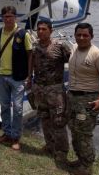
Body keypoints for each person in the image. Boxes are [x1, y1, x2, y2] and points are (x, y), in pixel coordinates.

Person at [67, 23, 99, 175]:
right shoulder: (73, 49)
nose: (81, 37)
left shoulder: (97, 54)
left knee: (84, 133)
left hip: (88, 98)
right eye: (78, 34)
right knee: (73, 129)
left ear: (91, 36)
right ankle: (80, 159)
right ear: (75, 35)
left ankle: (87, 166)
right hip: (72, 96)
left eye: (85, 35)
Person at [29, 18, 71, 163]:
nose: (40, 32)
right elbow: (32, 64)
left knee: (58, 122)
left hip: (56, 91)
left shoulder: (60, 46)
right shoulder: (35, 46)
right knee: (45, 119)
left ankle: (62, 151)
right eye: (38, 29)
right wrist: (30, 80)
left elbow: (73, 61)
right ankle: (49, 145)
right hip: (40, 89)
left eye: (44, 29)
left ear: (51, 31)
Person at [0, 6, 32, 151]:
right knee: (4, 106)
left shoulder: (23, 34)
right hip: (1, 75)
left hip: (18, 77)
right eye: (5, 16)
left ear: (15, 17)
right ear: (2, 18)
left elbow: (30, 54)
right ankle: (7, 133)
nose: (8, 19)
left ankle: (16, 137)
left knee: (17, 108)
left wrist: (29, 75)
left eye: (10, 16)